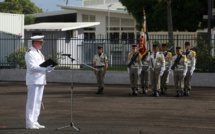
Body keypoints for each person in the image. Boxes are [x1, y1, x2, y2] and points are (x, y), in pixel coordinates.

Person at [25, 35, 55, 129]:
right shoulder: (30, 53)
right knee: (32, 102)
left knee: (38, 101)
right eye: (40, 42)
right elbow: (32, 67)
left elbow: (42, 65)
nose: (42, 44)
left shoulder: (39, 52)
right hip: (33, 80)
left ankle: (35, 120)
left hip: (40, 80)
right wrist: (46, 68)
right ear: (35, 43)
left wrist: (50, 67)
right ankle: (29, 123)